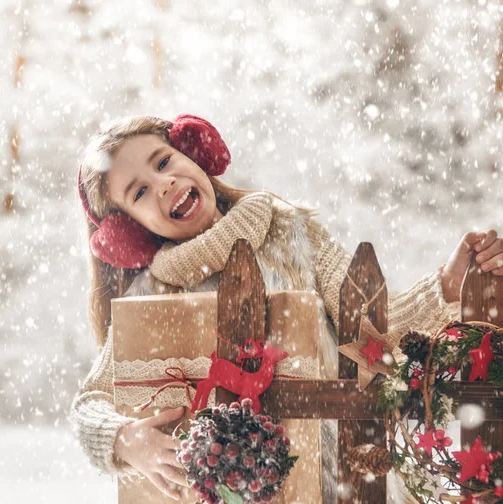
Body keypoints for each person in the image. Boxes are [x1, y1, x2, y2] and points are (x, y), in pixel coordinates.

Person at [68, 114, 503, 503]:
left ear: (193, 154)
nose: (163, 183)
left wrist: (444, 286)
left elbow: (373, 335)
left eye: (163, 162)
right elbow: (90, 403)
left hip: (338, 481)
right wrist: (124, 439)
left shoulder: (291, 233)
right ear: (131, 232)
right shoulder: (151, 296)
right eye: (140, 191)